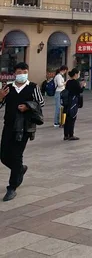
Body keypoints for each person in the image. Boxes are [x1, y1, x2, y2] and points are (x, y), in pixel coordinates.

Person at [0, 62, 45, 202]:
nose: (22, 74)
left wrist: (27, 106)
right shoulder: (8, 88)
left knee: (16, 154)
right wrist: (1, 96)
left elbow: (41, 102)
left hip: (24, 127)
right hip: (8, 125)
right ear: (15, 73)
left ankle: (12, 187)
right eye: (19, 72)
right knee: (3, 155)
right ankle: (19, 169)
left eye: (25, 71)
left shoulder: (33, 87)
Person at [62, 68, 85, 141]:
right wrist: (83, 86)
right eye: (78, 73)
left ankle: (66, 135)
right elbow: (80, 91)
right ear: (75, 74)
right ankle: (71, 134)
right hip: (73, 101)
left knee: (67, 119)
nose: (78, 75)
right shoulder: (75, 82)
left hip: (68, 101)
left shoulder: (68, 82)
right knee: (72, 118)